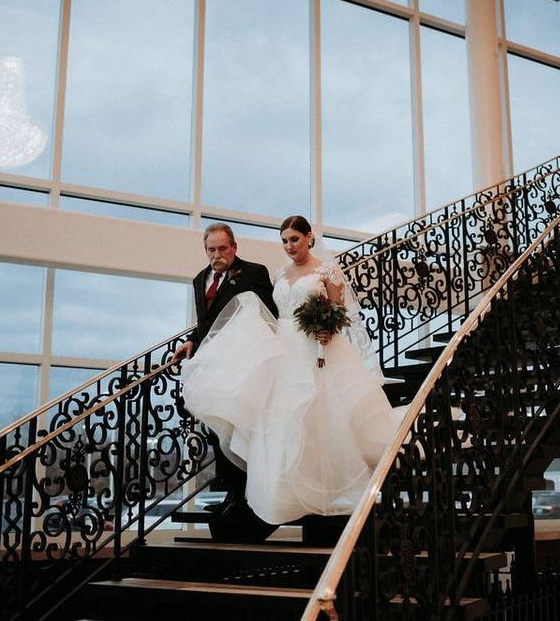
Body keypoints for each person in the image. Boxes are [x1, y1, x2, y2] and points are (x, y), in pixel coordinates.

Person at [181, 215, 403, 526]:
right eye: (284, 241)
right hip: (283, 349)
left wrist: (327, 328)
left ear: (309, 238)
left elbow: (340, 310)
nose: (289, 246)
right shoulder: (280, 273)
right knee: (279, 419)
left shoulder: (325, 270)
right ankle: (281, 491)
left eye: (294, 239)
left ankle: (324, 484)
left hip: (316, 349)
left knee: (319, 413)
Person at [171, 223, 277, 516]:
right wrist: (191, 341)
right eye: (211, 249)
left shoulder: (255, 272)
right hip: (213, 361)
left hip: (245, 363)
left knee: (241, 423)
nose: (217, 255)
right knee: (219, 424)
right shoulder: (198, 279)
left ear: (234, 247)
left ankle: (246, 495)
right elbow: (205, 322)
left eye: (222, 248)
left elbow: (270, 314)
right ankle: (231, 492)